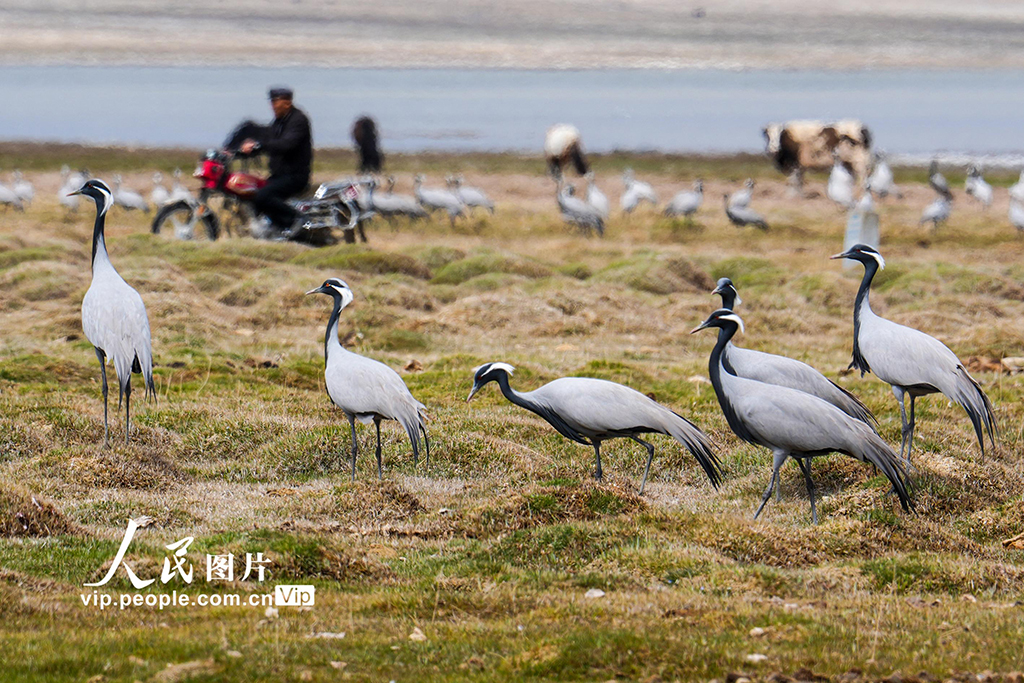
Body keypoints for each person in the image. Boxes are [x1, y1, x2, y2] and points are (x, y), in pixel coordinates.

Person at [240, 87, 313, 233]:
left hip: (295, 176)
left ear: (287, 103)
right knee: (253, 194)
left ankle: (296, 220)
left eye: (276, 103)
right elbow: (267, 140)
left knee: (263, 196)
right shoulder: (278, 121)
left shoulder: (298, 120)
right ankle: (274, 229)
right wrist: (244, 150)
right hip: (279, 175)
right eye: (272, 103)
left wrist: (259, 146)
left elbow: (286, 144)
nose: (273, 107)